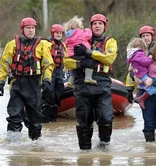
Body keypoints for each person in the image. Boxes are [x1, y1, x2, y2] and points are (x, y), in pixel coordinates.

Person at [64, 14, 117, 150]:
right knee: (84, 121)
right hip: (82, 86)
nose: (97, 26)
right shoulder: (77, 38)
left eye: (100, 23)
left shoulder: (110, 41)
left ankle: (104, 146)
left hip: (102, 85)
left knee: (106, 118)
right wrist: (79, 64)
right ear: (90, 26)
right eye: (94, 24)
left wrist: (89, 52)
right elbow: (66, 61)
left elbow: (109, 58)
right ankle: (85, 152)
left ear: (104, 26)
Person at [0, 17, 54, 141]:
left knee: (35, 120)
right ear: (23, 30)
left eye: (33, 28)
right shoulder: (12, 45)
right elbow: (4, 64)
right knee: (14, 115)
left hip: (34, 85)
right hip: (17, 84)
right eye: (28, 28)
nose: (31, 31)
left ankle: (35, 145)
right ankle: (14, 145)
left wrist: (47, 80)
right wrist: (0, 82)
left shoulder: (42, 44)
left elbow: (48, 64)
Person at [126, 37, 156, 109]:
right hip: (142, 74)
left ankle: (138, 96)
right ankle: (141, 98)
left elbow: (131, 69)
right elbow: (145, 62)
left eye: (147, 35)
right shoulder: (139, 53)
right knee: (154, 89)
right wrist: (150, 58)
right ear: (141, 46)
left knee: (142, 86)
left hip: (138, 74)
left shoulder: (132, 54)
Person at [41, 24, 67, 122]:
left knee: (58, 91)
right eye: (57, 33)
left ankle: (54, 117)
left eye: (60, 33)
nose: (59, 35)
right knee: (49, 92)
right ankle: (45, 118)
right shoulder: (47, 44)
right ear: (52, 33)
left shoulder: (63, 45)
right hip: (50, 70)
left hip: (59, 71)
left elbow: (66, 57)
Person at [126, 25, 156, 103]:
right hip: (144, 84)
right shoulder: (136, 52)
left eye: (148, 35)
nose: (145, 38)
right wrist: (129, 89)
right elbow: (131, 70)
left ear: (152, 36)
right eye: (143, 36)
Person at [64, 15, 95, 87]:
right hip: (81, 53)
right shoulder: (80, 33)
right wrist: (87, 29)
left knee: (75, 69)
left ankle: (70, 81)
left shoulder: (68, 36)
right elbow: (89, 35)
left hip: (72, 55)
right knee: (90, 61)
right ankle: (88, 77)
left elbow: (66, 44)